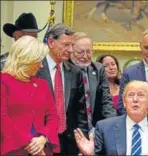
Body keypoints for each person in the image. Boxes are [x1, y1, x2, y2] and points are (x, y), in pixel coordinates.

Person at [74, 80, 148, 156]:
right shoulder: (104, 127)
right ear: (124, 102)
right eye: (131, 95)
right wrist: (89, 154)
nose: (135, 99)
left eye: (141, 95)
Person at [1, 36, 59, 155]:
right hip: (13, 149)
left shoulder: (42, 84)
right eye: (38, 61)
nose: (41, 66)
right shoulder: (3, 82)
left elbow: (53, 116)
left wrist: (44, 138)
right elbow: (2, 118)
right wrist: (30, 145)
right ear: (26, 59)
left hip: (43, 148)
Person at [36, 23, 87, 155]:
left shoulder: (75, 72)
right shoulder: (35, 69)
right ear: (51, 42)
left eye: (72, 45)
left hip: (68, 142)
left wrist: (82, 139)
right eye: (66, 45)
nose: (70, 50)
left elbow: (80, 111)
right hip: (40, 141)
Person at [69, 32, 117, 127]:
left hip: (95, 126)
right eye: (80, 52)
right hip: (72, 129)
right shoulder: (66, 70)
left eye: (89, 51)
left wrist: (112, 124)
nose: (85, 56)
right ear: (71, 51)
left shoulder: (98, 69)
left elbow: (106, 101)